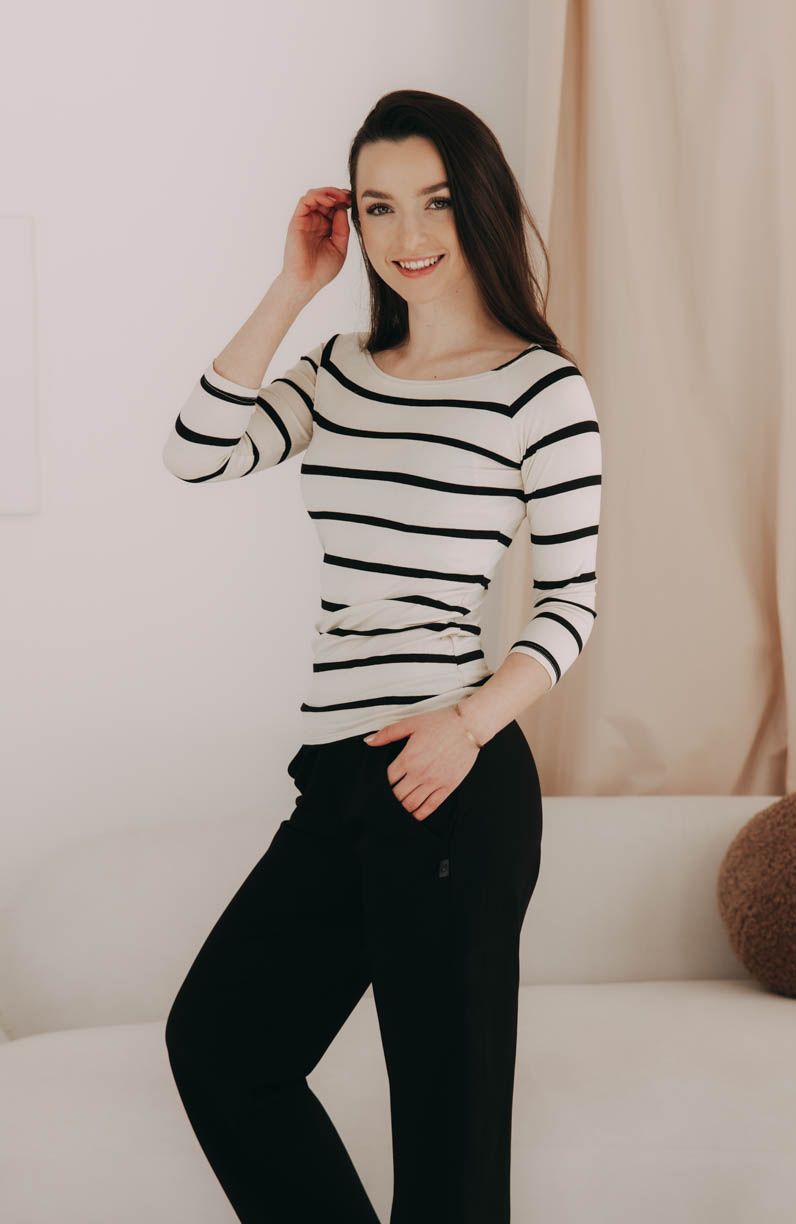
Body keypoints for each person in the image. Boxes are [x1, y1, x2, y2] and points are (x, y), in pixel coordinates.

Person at [162, 88, 602, 1224]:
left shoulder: (540, 390)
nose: (409, 234)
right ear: (350, 219)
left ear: (480, 205)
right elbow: (196, 451)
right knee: (222, 1049)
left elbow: (570, 605)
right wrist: (292, 288)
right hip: (339, 777)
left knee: (448, 1158)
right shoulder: (340, 370)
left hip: (454, 775)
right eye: (379, 206)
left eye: (436, 201)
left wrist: (468, 724)